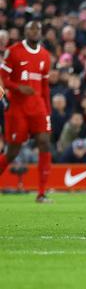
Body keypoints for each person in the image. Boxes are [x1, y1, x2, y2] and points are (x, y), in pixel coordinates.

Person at [0, 21, 53, 203]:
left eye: (37, 29)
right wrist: (18, 88)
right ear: (25, 31)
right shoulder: (14, 51)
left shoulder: (45, 55)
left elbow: (45, 88)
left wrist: (48, 113)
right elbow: (4, 79)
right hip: (17, 108)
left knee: (44, 142)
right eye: (30, 29)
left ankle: (41, 193)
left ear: (40, 33)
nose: (34, 32)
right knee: (12, 151)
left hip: (38, 107)